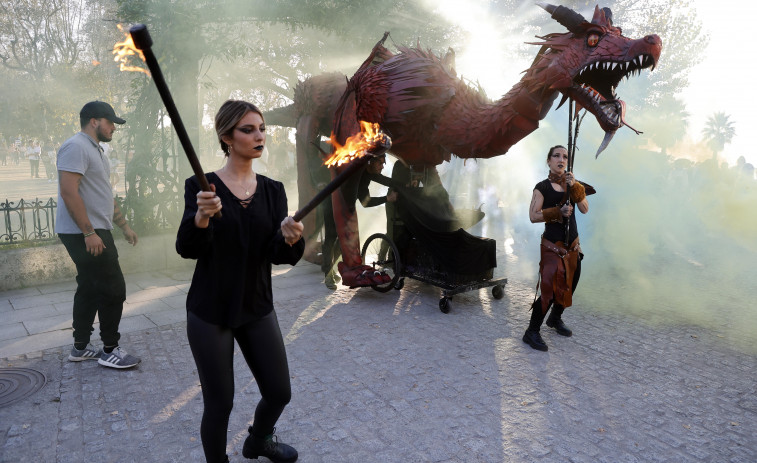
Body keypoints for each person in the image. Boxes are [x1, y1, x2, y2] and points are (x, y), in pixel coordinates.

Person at [176, 99, 304, 463]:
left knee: (279, 392)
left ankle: (259, 440)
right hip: (210, 309)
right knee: (220, 403)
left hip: (257, 305)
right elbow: (187, 248)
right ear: (226, 137)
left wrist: (292, 238)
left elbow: (276, 252)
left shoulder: (273, 190)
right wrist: (201, 217)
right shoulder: (203, 187)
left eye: (262, 128)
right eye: (248, 129)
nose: (259, 135)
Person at [57, 101, 141, 368]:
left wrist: (124, 226)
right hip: (85, 232)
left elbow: (105, 194)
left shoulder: (98, 152)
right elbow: (68, 191)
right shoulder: (76, 146)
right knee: (113, 288)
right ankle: (109, 349)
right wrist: (89, 232)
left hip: (94, 230)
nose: (114, 127)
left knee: (90, 288)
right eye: (110, 122)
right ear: (94, 121)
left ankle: (80, 347)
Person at [523, 145, 589, 352]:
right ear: (549, 160)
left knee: (570, 284)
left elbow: (585, 209)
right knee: (549, 291)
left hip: (573, 247)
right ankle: (531, 331)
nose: (561, 159)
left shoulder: (573, 185)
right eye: (556, 156)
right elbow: (533, 216)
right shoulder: (541, 187)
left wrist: (576, 186)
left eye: (565, 157)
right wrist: (557, 212)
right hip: (553, 247)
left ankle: (555, 318)